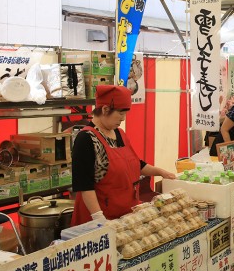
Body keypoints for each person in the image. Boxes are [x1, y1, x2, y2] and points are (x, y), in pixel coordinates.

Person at [71, 85, 176, 225]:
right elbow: (84, 186)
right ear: (105, 109)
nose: (123, 118)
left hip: (125, 214)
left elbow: (136, 164)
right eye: (120, 113)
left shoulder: (119, 133)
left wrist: (161, 172)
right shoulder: (86, 138)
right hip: (99, 217)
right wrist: (99, 219)